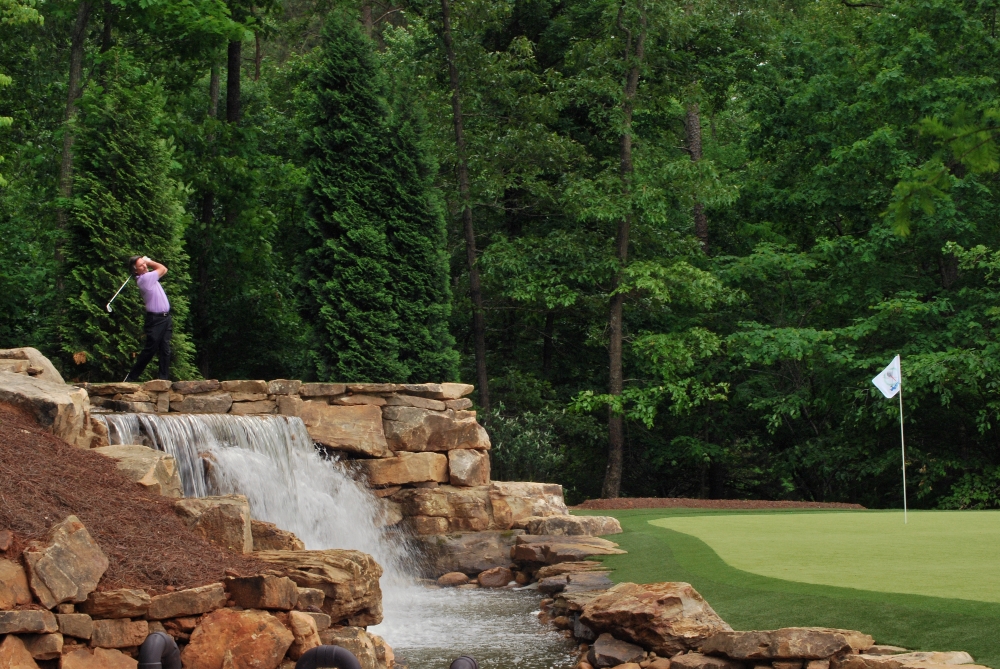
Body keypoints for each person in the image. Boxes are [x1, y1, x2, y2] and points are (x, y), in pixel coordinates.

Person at [123, 255, 172, 382]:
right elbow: (162, 268)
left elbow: (164, 270)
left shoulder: (148, 276)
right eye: (141, 265)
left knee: (165, 349)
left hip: (165, 318)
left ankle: (163, 379)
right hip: (155, 319)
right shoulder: (144, 279)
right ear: (135, 270)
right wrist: (149, 261)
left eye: (144, 263)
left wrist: (146, 263)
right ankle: (130, 378)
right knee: (150, 349)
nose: (145, 266)